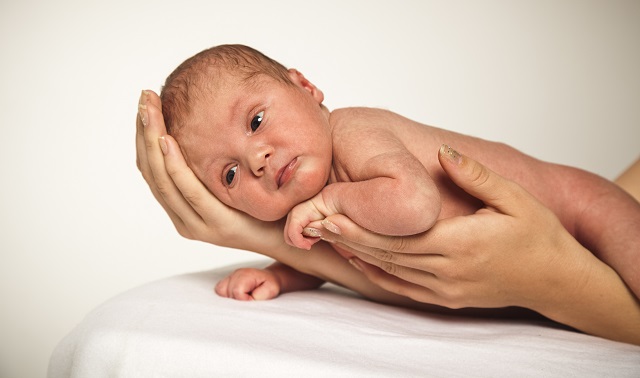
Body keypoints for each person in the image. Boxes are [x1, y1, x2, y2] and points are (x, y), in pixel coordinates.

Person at [137, 59, 640, 345]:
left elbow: (414, 206)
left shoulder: (355, 131)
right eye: (229, 174)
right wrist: (284, 271)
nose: (258, 159)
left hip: (583, 207)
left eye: (256, 121)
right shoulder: (313, 208)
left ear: (305, 87)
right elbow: (344, 254)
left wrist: (328, 205)